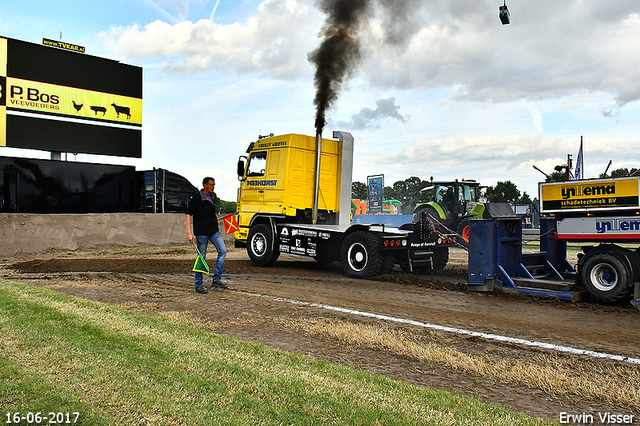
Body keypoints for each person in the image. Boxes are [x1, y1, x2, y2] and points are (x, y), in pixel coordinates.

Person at [186, 177, 227, 293]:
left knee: (223, 250)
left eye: (214, 184)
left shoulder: (212, 197)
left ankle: (216, 279)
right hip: (201, 233)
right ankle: (198, 284)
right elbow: (188, 214)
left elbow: (209, 212)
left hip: (214, 231)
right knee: (201, 256)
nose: (213, 187)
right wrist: (189, 233)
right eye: (211, 185)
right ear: (205, 185)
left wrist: (214, 219)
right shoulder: (197, 198)